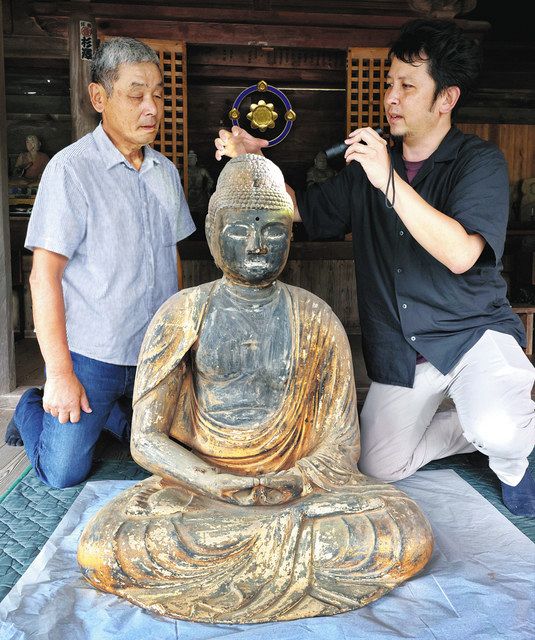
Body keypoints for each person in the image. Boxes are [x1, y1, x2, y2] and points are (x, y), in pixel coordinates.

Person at [77, 154, 433, 623]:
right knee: (105, 547)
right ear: (213, 232)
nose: (258, 244)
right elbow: (145, 438)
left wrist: (290, 481)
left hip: (297, 493)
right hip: (199, 490)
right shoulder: (183, 312)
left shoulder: (316, 317)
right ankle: (272, 563)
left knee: (404, 532)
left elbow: (341, 443)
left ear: (290, 235)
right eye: (241, 229)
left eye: (273, 230)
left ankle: (250, 562)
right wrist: (217, 482)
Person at [214, 19, 535, 517]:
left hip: (472, 336)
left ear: (446, 98)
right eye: (390, 83)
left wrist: (387, 179)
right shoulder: (368, 169)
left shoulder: (479, 162)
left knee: (500, 430)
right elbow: (304, 210)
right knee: (380, 464)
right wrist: (254, 162)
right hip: (405, 352)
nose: (391, 97)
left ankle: (514, 454)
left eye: (408, 86)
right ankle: (477, 428)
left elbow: (461, 254)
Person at [5, 37, 195, 488]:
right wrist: (59, 375)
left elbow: (173, 258)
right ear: (99, 98)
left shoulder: (165, 172)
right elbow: (43, 276)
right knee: (63, 471)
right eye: (135, 95)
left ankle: (110, 412)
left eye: (158, 94)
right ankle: (34, 406)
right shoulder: (70, 170)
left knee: (176, 454)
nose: (151, 107)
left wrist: (182, 343)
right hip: (94, 354)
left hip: (154, 354)